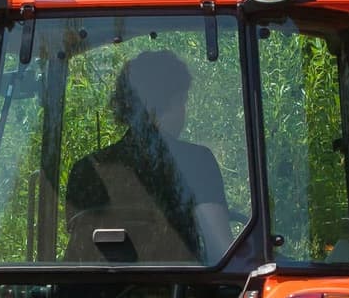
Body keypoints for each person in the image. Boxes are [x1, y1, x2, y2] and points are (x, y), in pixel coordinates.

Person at [64, 49, 233, 262]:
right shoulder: (197, 162)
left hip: (98, 294)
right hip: (178, 293)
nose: (183, 111)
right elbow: (222, 252)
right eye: (182, 101)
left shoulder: (86, 170)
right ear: (168, 101)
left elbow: (80, 251)